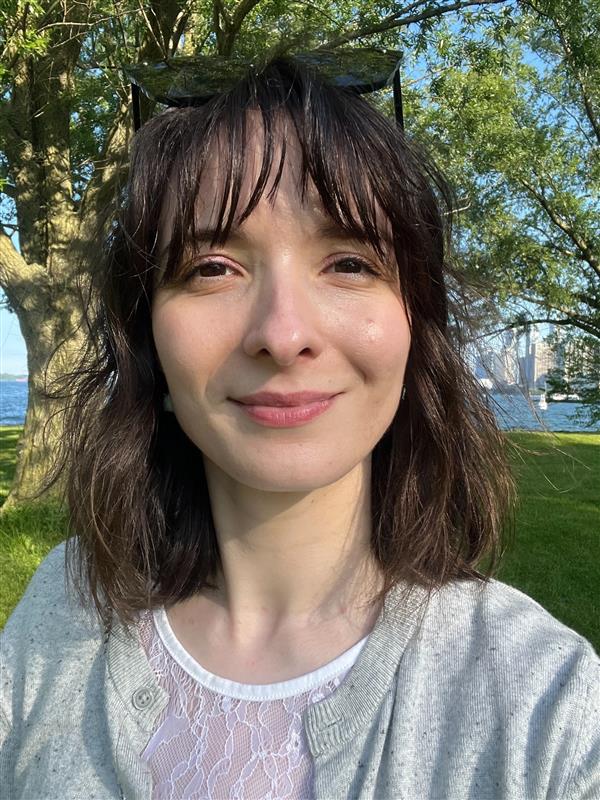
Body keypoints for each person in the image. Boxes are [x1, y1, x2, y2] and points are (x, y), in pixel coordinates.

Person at [1, 56, 598, 800]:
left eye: (348, 261)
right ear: (146, 335)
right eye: (213, 267)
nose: (283, 335)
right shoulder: (60, 610)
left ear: (416, 324)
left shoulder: (549, 704)